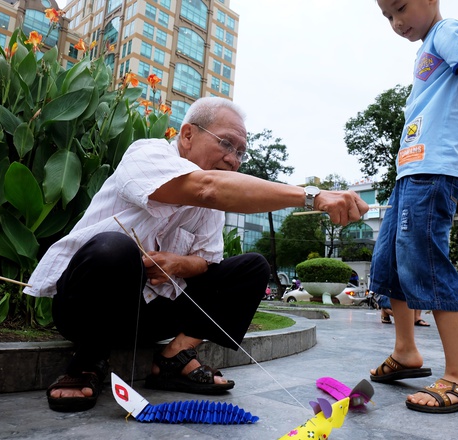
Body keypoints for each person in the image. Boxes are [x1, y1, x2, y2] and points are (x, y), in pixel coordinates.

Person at [23, 97, 368, 412]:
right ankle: (89, 357)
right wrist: (313, 196)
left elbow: (207, 260)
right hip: (88, 305)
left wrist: (178, 264)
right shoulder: (147, 155)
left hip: (150, 315)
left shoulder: (215, 200)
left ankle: (175, 356)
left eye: (240, 152)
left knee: (252, 268)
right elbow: (205, 189)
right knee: (114, 248)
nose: (233, 159)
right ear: (187, 135)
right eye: (226, 144)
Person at [369, 0, 458, 413]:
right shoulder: (426, 47)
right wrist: (457, 153)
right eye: (387, 16)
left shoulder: (448, 31)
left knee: (425, 262)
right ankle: (406, 351)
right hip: (409, 172)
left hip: (429, 175)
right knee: (392, 263)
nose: (396, 22)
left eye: (400, 8)